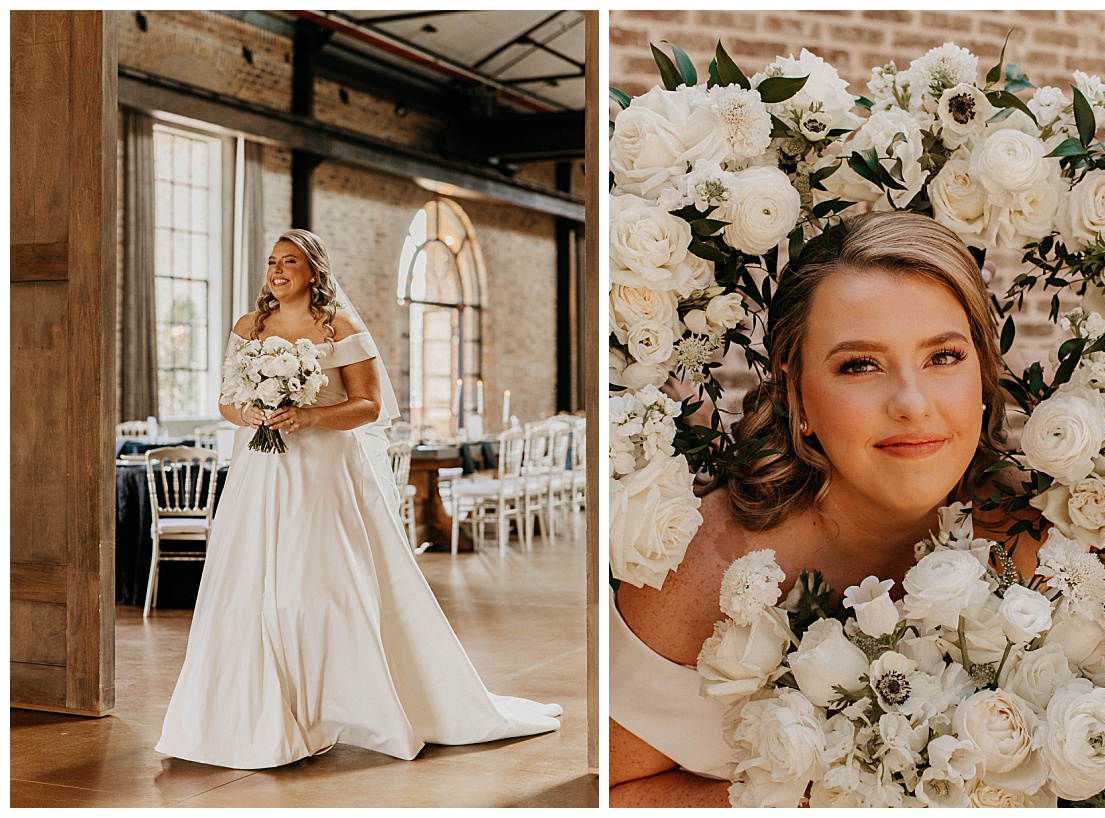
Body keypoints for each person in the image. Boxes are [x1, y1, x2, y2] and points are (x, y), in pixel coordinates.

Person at [609, 212, 1022, 806]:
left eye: (944, 356)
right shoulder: (692, 571)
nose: (912, 402)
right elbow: (612, 796)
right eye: (860, 365)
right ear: (796, 388)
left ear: (983, 372)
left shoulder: (1035, 534)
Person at [156, 229, 561, 769]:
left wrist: (309, 416)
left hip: (320, 471)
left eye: (289, 262)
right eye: (272, 262)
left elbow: (368, 406)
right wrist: (250, 414)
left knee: (319, 587)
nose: (277, 271)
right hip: (257, 467)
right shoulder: (247, 327)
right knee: (246, 584)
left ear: (313, 271)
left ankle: (340, 705)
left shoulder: (340, 328)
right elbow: (228, 399)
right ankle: (255, 714)